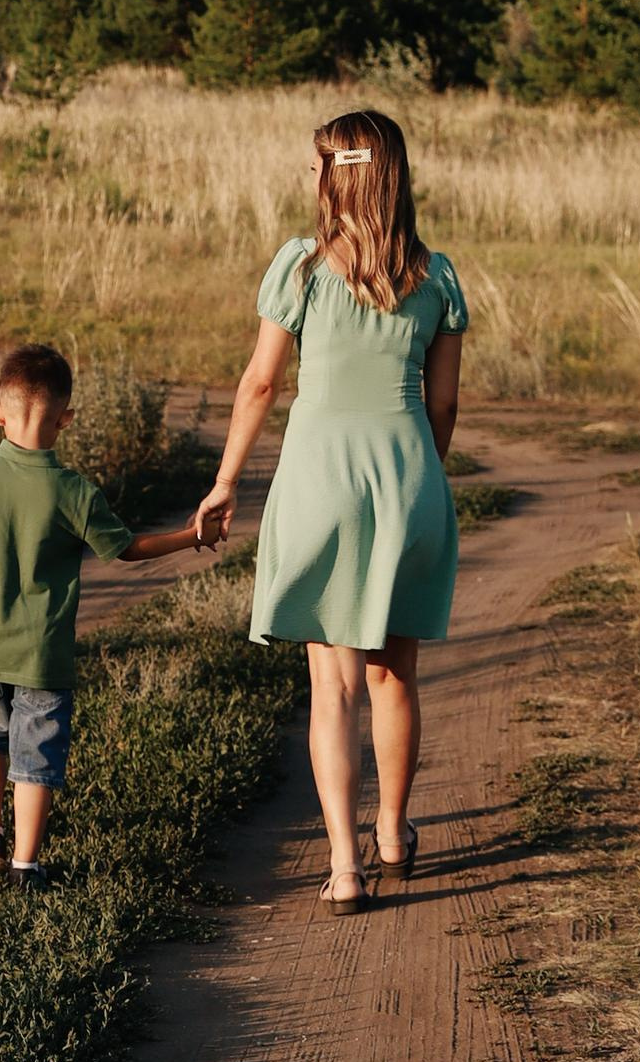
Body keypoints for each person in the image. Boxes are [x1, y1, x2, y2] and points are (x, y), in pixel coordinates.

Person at [194, 108, 468, 912]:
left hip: (319, 483)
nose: (305, 176)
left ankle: (346, 869)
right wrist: (422, 472)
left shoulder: (300, 268)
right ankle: (392, 832)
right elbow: (443, 403)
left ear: (338, 174)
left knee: (333, 690)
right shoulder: (439, 276)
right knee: (395, 677)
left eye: (315, 163)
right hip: (406, 476)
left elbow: (258, 384)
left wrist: (224, 480)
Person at [0, 338, 204, 894]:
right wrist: (192, 535)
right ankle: (26, 868)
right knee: (37, 752)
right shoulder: (74, 491)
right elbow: (126, 549)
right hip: (41, 654)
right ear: (66, 419)